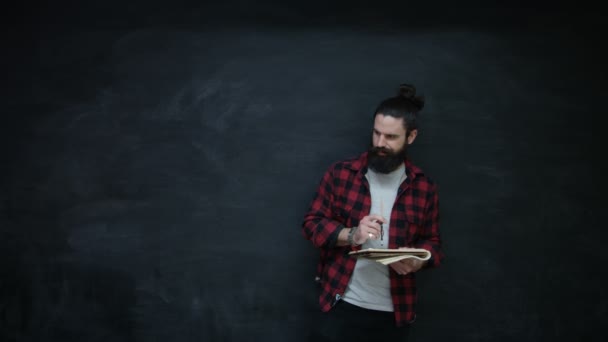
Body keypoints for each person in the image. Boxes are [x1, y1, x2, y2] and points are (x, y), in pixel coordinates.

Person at [301, 83, 444, 341]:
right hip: (339, 305)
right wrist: (352, 234)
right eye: (376, 133)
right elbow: (311, 224)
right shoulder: (342, 173)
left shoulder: (424, 187)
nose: (380, 143)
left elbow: (433, 243)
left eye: (390, 137)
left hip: (394, 314)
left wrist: (418, 261)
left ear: (411, 137)